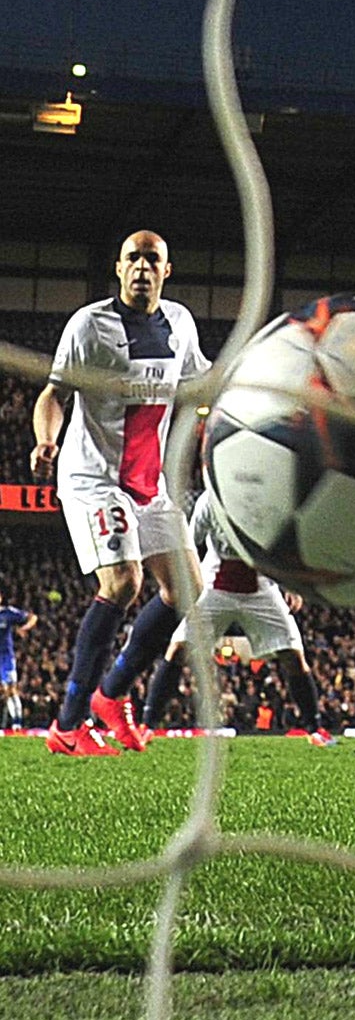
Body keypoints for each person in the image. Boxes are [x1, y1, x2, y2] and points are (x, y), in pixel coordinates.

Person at [31, 230, 210, 757]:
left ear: (166, 271)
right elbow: (53, 394)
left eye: (152, 259)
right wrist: (46, 439)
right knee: (125, 581)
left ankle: (111, 697)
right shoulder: (90, 326)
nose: (142, 268)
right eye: (133, 258)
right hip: (93, 477)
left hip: (147, 482)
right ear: (118, 267)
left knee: (185, 589)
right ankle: (67, 724)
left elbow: (200, 386)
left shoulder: (179, 323)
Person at [140, 490, 332, 746]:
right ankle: (148, 725)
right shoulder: (210, 500)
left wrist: (292, 586)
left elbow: (285, 548)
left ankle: (315, 729)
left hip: (261, 585)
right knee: (177, 649)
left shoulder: (272, 499)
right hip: (215, 584)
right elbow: (191, 542)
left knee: (293, 656)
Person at [0, 590, 37, 732]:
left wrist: (24, 628)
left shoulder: (8, 614)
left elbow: (32, 617)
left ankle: (17, 724)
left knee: (10, 689)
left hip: (5, 658)